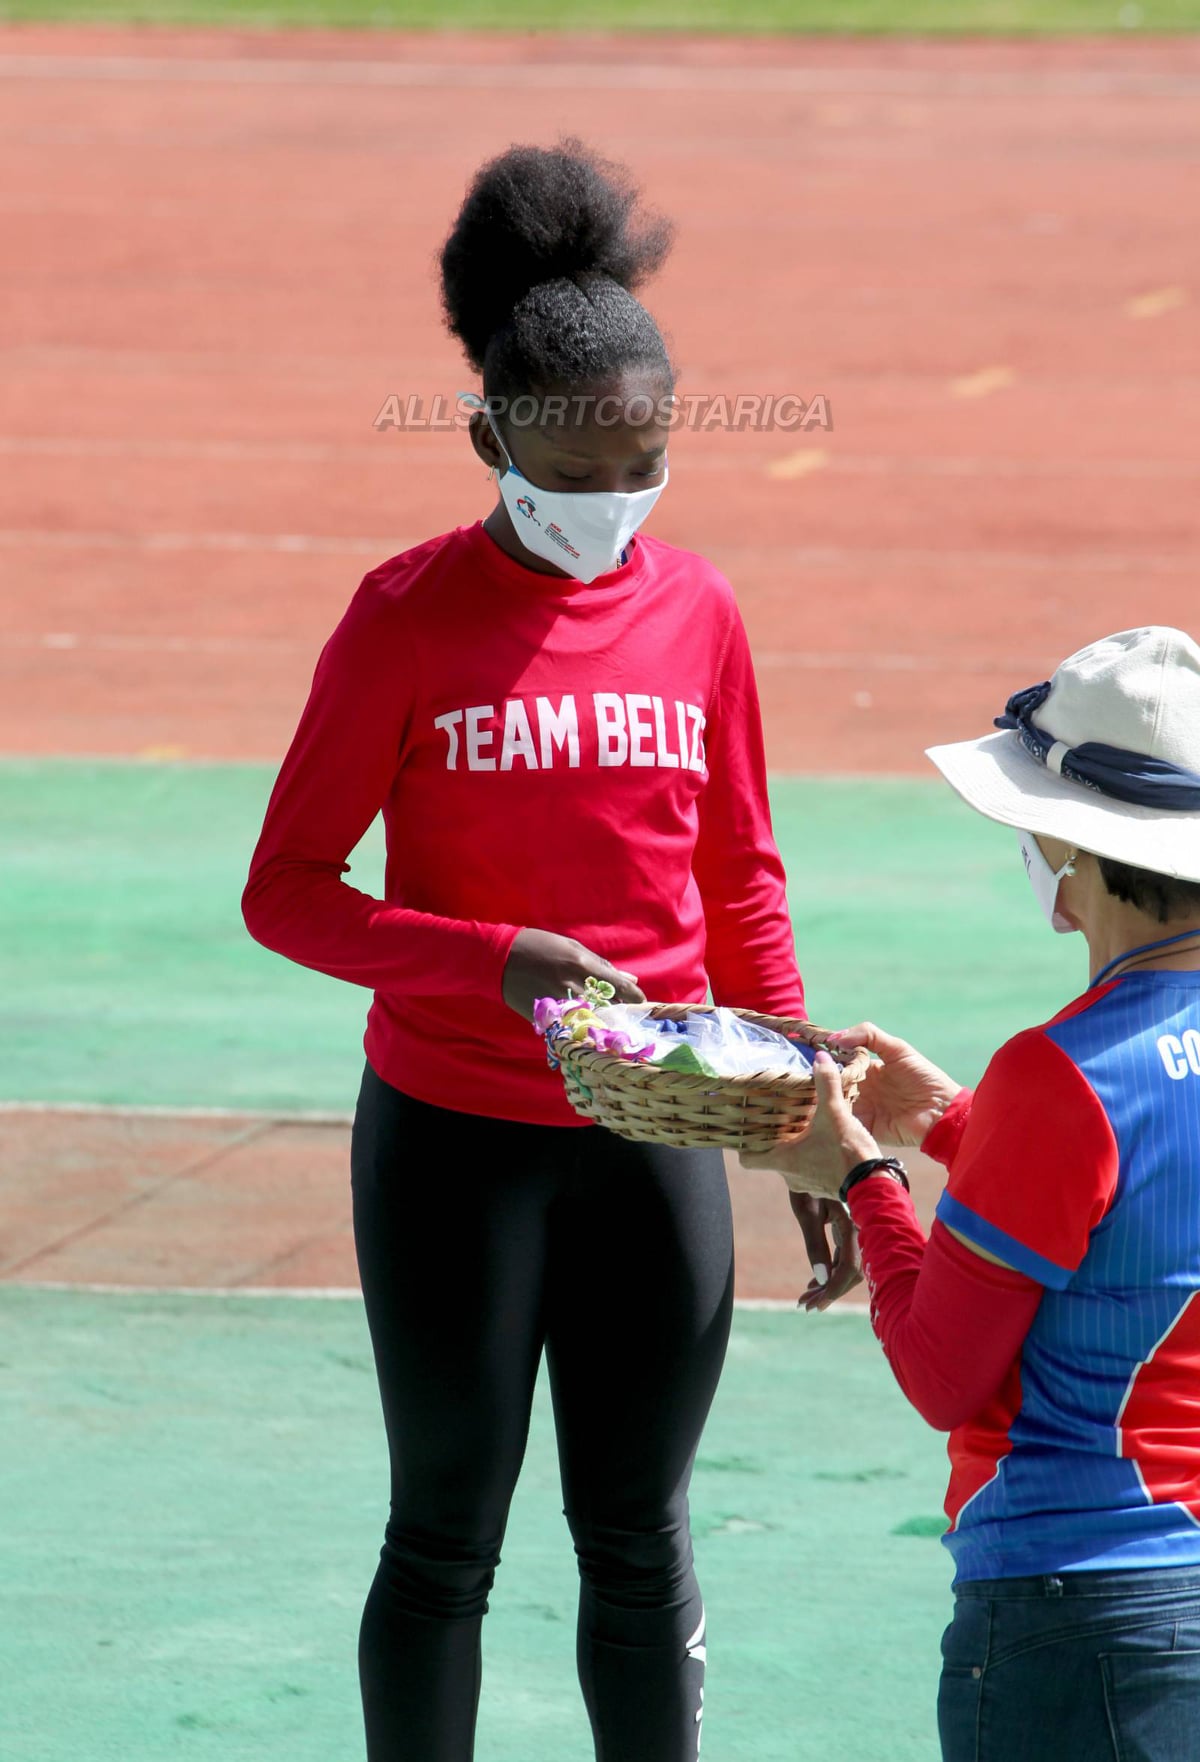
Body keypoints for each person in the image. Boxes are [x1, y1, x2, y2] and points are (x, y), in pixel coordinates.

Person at [242, 140, 852, 1762]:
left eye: (642, 467)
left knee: (640, 1540)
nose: (607, 504)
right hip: (452, 1143)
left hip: (658, 1133)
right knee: (446, 1533)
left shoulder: (701, 611)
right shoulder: (404, 617)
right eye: (571, 473)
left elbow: (743, 878)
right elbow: (288, 889)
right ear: (488, 436)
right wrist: (491, 958)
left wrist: (800, 1118)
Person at [747, 625, 1200, 1761]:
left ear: (1080, 854)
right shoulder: (1058, 1093)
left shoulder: (1062, 1076)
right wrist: (961, 1122)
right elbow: (1142, 1205)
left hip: (1080, 1612)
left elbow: (943, 1370)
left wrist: (863, 1178)